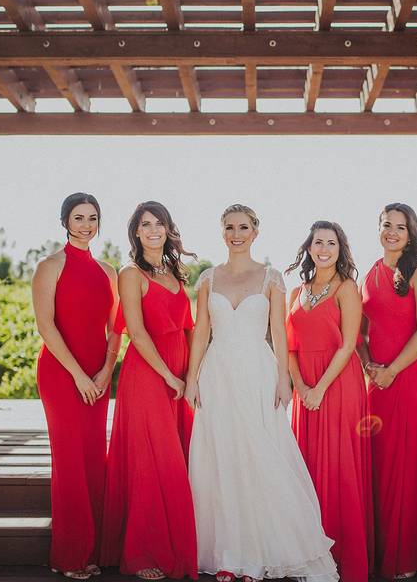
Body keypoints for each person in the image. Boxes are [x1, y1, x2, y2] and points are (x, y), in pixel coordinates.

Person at [184, 204, 338, 582]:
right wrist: (191, 378)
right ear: (222, 232)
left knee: (260, 454)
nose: (236, 234)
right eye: (229, 227)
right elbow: (201, 331)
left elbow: (280, 333)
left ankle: (256, 554)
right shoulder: (207, 278)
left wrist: (284, 378)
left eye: (244, 227)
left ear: (256, 232)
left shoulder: (271, 278)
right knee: (221, 457)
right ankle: (227, 553)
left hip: (257, 371)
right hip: (217, 373)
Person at [101, 201, 198, 580]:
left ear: (168, 229)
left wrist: (190, 374)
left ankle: (173, 543)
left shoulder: (175, 271)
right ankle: (143, 553)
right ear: (136, 233)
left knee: (176, 456)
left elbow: (189, 326)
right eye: (146, 224)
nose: (154, 230)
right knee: (151, 462)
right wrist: (169, 376)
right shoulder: (130, 273)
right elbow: (136, 333)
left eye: (160, 223)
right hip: (148, 374)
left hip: (179, 370)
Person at [32, 192, 118, 580]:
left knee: (92, 458)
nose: (86, 224)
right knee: (69, 460)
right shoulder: (49, 266)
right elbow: (46, 327)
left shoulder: (109, 271)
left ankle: (94, 549)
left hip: (97, 375)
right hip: (61, 374)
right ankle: (68, 555)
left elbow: (115, 328)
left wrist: (105, 371)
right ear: (65, 221)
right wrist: (79, 375)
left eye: (93, 217)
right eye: (79, 217)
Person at [358, 203, 417, 580]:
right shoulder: (368, 274)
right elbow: (360, 332)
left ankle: (409, 554)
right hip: (377, 381)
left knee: (410, 462)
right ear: (378, 228)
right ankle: (382, 551)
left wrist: (393, 369)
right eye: (387, 225)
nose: (392, 232)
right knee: (382, 462)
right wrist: (368, 365)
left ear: (412, 234)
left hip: (411, 379)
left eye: (401, 227)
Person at [285, 221, 372, 582]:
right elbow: (288, 346)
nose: (323, 249)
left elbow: (349, 343)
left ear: (340, 250)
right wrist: (302, 386)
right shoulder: (296, 291)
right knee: (304, 468)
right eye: (318, 242)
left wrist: (319, 387)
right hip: (303, 387)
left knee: (337, 467)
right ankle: (308, 555)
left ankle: (344, 560)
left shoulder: (347, 288)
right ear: (309, 247)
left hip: (337, 384)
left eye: (331, 243)